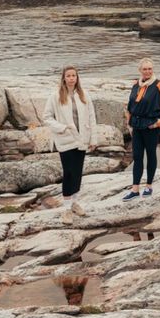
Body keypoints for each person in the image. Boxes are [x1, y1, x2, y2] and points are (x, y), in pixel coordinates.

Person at [42, 66, 98, 225]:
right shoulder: (55, 96)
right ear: (64, 78)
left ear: (77, 78)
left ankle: (74, 203)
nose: (72, 78)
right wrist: (62, 128)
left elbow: (92, 117)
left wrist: (93, 139)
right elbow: (47, 117)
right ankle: (66, 209)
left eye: (74, 75)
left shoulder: (84, 94)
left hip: (82, 139)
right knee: (68, 173)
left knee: (78, 173)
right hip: (65, 139)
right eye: (68, 76)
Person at [123, 58, 160, 201]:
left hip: (151, 126)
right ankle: (135, 189)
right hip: (136, 125)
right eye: (145, 69)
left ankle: (149, 186)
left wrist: (158, 123)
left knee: (151, 155)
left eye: (150, 69)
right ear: (140, 70)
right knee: (137, 156)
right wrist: (129, 123)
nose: (148, 71)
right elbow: (130, 105)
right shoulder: (135, 85)